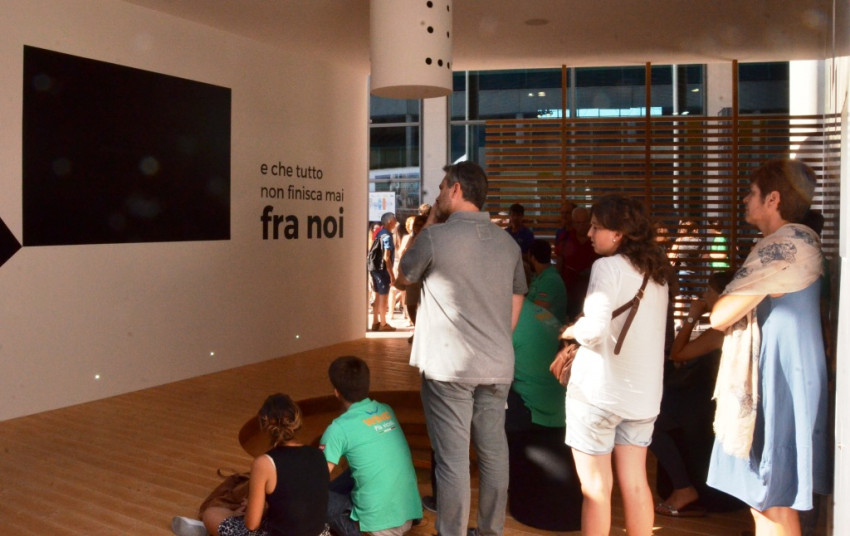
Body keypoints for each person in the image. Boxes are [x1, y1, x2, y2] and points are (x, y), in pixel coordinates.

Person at [396, 161, 527, 536]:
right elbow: (518, 294)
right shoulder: (508, 243)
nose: (437, 194)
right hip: (497, 364)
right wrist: (498, 337)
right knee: (493, 454)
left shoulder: (435, 237)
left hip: (450, 367)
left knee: (452, 461)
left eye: (441, 187)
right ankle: (490, 531)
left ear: (455, 189)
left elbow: (402, 277)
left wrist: (431, 221)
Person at [707, 159, 830, 536]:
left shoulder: (784, 248)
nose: (745, 200)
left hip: (781, 379)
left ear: (773, 199)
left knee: (772, 500)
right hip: (790, 372)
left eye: (752, 193)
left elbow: (720, 315)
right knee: (767, 498)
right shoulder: (802, 241)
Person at [559, 193, 669, 536]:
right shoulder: (658, 273)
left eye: (596, 227)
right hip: (642, 398)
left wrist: (571, 330)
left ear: (618, 233)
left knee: (596, 489)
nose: (589, 233)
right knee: (636, 485)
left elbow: (593, 330)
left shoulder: (606, 267)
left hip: (599, 395)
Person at [174, 394, 330, 536]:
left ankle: (206, 531)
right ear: (297, 422)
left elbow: (252, 525)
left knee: (211, 514)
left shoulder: (265, 463)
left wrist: (250, 509)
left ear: (264, 424)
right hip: (319, 534)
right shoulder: (318, 455)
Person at [651, 270, 734, 518]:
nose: (704, 296)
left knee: (649, 423)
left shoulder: (721, 330)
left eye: (709, 291)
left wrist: (691, 317)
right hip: (702, 396)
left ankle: (683, 488)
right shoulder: (726, 326)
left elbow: (677, 352)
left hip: (703, 404)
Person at [320, 356, 422, 536]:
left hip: (375, 528)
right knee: (356, 471)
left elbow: (313, 481)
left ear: (336, 392)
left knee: (314, 497)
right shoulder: (386, 410)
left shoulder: (338, 428)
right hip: (408, 514)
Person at [556, 205, 599, 320]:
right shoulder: (565, 238)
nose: (581, 226)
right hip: (569, 292)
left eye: (584, 222)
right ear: (573, 223)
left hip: (592, 291)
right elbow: (559, 265)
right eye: (578, 223)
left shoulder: (597, 239)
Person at [368, 212, 398, 332]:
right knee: (383, 297)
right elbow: (387, 257)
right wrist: (392, 275)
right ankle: (383, 323)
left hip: (374, 269)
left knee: (377, 295)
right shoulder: (387, 236)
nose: (396, 221)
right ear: (390, 221)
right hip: (383, 270)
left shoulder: (380, 233)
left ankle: (375, 322)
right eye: (394, 219)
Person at [526, 238, 568, 323]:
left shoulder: (550, 279)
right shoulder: (540, 276)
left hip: (548, 327)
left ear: (532, 257)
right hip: (539, 324)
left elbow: (538, 311)